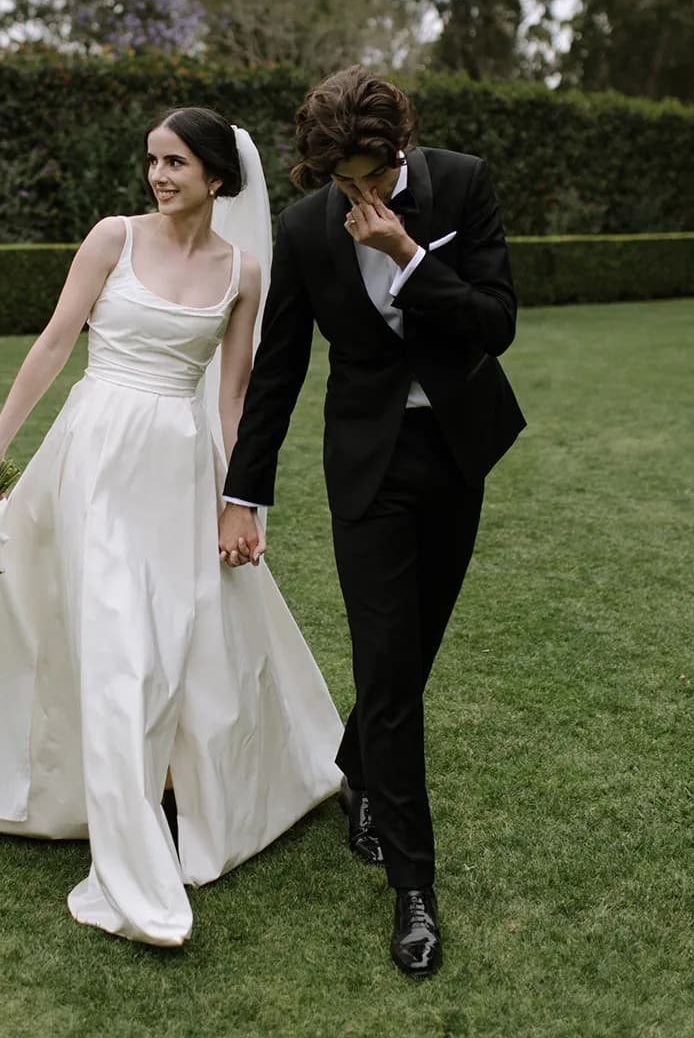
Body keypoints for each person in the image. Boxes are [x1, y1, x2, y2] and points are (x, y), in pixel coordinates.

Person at [0, 108, 342, 947]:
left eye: (177, 163)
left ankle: (171, 791)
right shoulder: (112, 239)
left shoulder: (245, 272)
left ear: (217, 178)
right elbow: (53, 344)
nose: (159, 175)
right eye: (153, 159)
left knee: (173, 644)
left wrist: (243, 501)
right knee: (117, 650)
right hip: (91, 462)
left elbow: (233, 399)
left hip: (178, 470)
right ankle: (127, 863)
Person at [218, 67, 525, 979]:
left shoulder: (461, 184)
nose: (361, 195)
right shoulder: (304, 228)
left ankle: (357, 765)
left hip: (456, 450)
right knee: (387, 667)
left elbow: (495, 323)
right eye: (343, 180)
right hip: (369, 469)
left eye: (373, 176)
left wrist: (407, 256)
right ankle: (412, 888)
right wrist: (244, 491)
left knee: (412, 653)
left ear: (400, 148)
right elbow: (276, 373)